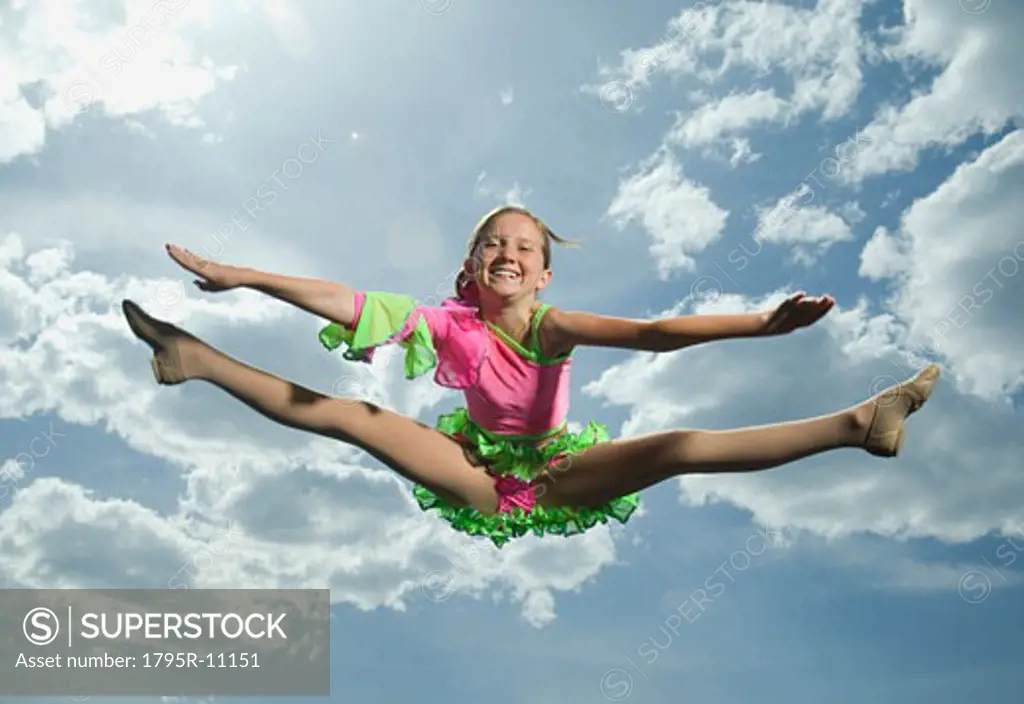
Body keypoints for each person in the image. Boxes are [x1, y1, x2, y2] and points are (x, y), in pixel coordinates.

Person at [121, 205, 940, 547]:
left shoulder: (554, 327)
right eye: (493, 244)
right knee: (355, 416)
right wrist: (245, 276)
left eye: (525, 248)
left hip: (558, 470)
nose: (508, 253)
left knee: (683, 444)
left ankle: (856, 424)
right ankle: (193, 356)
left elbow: (656, 335)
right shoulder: (448, 322)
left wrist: (761, 324)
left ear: (543, 274)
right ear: (469, 267)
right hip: (476, 469)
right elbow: (347, 300)